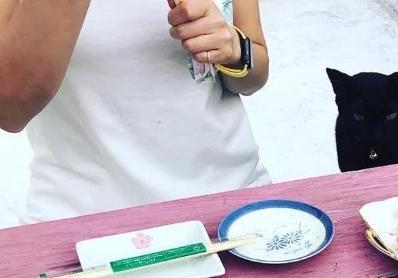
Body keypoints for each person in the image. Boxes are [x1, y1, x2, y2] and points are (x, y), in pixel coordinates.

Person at [0, 0, 271, 223]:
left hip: (234, 208)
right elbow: (10, 110)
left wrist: (234, 48)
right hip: (85, 225)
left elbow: (255, 71)